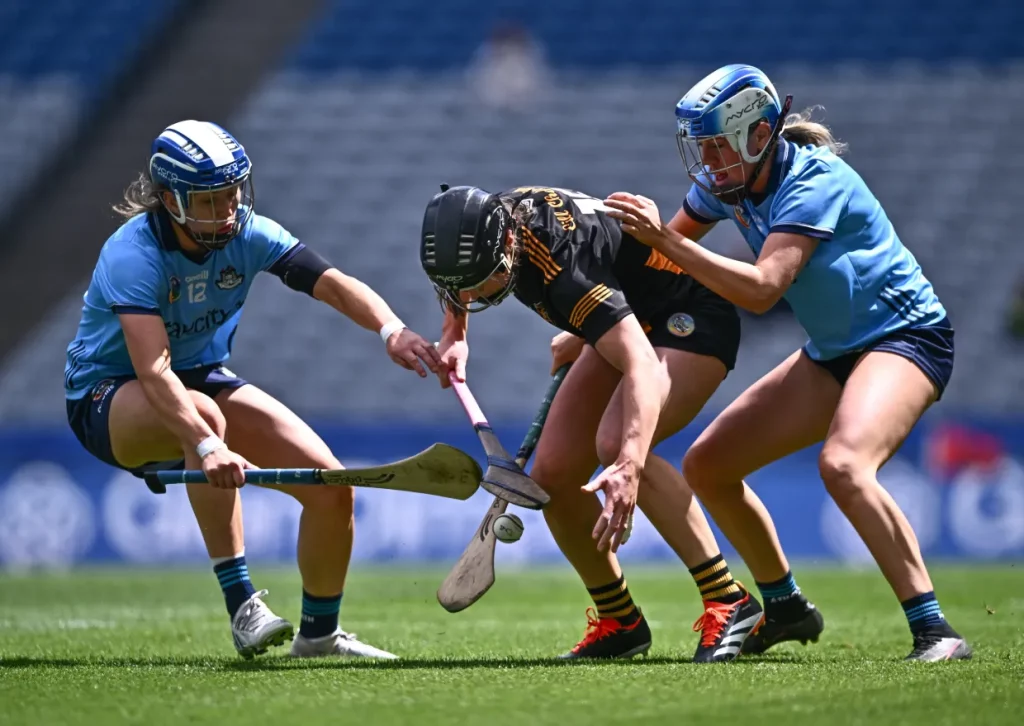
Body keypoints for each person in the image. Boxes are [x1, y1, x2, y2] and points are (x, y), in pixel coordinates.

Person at [603, 63, 972, 662]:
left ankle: (936, 630)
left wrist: (666, 242)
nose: (710, 160)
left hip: (906, 337)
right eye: (703, 147)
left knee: (844, 464)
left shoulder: (813, 181)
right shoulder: (727, 185)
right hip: (833, 352)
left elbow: (761, 289)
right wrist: (592, 323)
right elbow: (658, 266)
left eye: (719, 145)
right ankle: (785, 606)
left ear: (758, 135)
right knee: (710, 465)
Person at [64, 120, 441, 660]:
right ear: (169, 198)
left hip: (200, 376)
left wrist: (391, 329)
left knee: (331, 486)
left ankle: (319, 636)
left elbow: (331, 282)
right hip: (106, 396)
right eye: (209, 201)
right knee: (204, 420)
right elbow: (152, 370)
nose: (225, 211)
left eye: (231, 195)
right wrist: (208, 443)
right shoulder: (133, 255)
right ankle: (243, 607)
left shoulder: (248, 233)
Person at [420, 184, 824, 662]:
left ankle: (728, 600)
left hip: (689, 316)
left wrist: (630, 463)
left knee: (616, 445)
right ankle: (619, 620)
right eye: (459, 285)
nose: (471, 293)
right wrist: (455, 331)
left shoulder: (564, 269)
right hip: (625, 315)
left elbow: (642, 366)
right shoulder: (482, 224)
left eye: (481, 281)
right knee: (551, 476)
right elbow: (459, 279)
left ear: (508, 243)